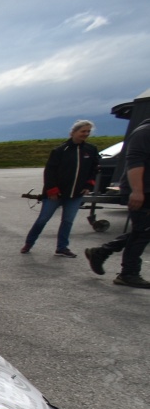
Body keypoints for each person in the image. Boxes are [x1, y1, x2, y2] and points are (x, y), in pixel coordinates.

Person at [86, 119, 150, 288]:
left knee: (143, 231)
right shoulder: (144, 132)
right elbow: (135, 162)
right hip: (142, 190)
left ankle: (101, 252)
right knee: (142, 232)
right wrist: (137, 191)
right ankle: (128, 273)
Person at [21, 120, 99, 257]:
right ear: (73, 132)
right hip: (55, 194)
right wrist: (52, 190)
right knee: (43, 219)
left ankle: (62, 247)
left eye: (88, 131)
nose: (86, 134)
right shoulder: (61, 150)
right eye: (83, 131)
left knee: (67, 221)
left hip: (76, 194)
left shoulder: (91, 150)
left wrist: (89, 185)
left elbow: (94, 169)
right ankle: (29, 243)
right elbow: (49, 171)